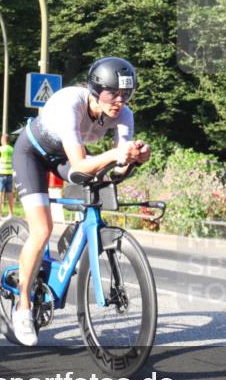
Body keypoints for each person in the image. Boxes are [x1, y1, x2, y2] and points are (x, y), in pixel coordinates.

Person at [10, 57, 151, 345]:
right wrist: (115, 155)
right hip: (32, 154)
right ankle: (22, 306)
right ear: (95, 90)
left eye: (126, 94)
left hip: (63, 157)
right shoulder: (69, 103)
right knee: (42, 230)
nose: (119, 101)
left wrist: (134, 158)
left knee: (97, 180)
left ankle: (74, 237)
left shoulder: (124, 114)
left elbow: (117, 169)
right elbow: (80, 163)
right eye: (112, 93)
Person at [0, 134, 16, 220]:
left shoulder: (0, 149)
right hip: (9, 174)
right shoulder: (12, 149)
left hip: (0, 174)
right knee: (10, 194)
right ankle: (11, 214)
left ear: (2, 140)